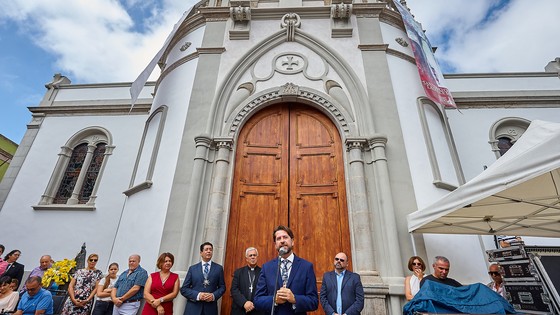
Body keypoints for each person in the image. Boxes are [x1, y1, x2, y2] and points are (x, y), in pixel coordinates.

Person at [253, 225, 318, 315]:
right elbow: (257, 301)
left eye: (285, 237)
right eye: (278, 239)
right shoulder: (267, 267)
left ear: (292, 242)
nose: (282, 241)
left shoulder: (306, 267)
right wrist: (274, 300)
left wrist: (295, 299)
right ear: (275, 245)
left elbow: (314, 302)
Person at [180, 242, 226, 315]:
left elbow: (222, 287)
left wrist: (213, 296)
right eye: (206, 249)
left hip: (210, 309)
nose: (209, 251)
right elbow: (184, 289)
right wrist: (198, 295)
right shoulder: (192, 269)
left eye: (210, 249)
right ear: (201, 253)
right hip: (193, 308)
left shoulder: (218, 268)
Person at [231, 247, 264, 315]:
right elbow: (234, 290)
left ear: (257, 257)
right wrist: (244, 303)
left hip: (257, 310)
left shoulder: (263, 272)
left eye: (254, 255)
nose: (253, 257)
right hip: (240, 309)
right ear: (246, 258)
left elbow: (264, 290)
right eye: (250, 255)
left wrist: (252, 305)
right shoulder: (238, 272)